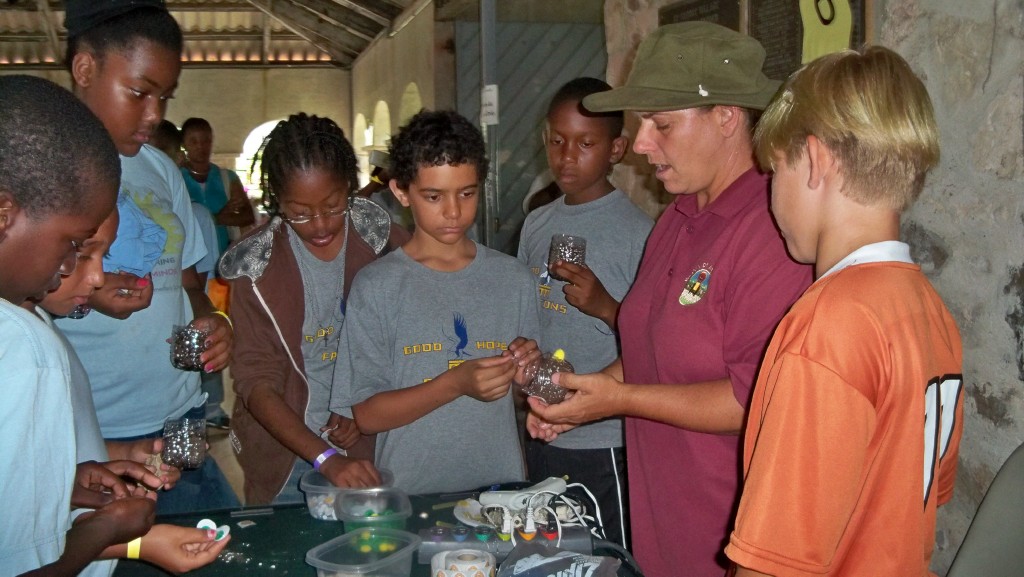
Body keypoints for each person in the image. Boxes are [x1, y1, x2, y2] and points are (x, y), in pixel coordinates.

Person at [527, 22, 813, 576]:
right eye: (640, 125)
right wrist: (583, 396)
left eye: (661, 123)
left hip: (731, 537)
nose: (640, 145)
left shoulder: (770, 229)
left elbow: (752, 400)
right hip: (663, 528)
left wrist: (617, 401)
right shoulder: (677, 217)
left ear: (727, 116)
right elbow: (649, 345)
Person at [724, 47, 964, 577]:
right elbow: (927, 490)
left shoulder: (828, 323)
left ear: (816, 160)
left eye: (775, 172)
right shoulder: (930, 310)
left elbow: (773, 563)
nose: (770, 198)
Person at [58, 0, 240, 514]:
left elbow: (185, 283)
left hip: (176, 417)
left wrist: (212, 320)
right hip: (95, 433)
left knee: (206, 542)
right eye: (139, 93)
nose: (156, 115)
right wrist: (90, 296)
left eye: (163, 97)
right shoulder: (43, 163)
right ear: (85, 69)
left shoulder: (160, 170)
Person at [329, 110, 542, 495]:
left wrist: (528, 377)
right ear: (400, 192)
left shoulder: (513, 280)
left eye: (467, 193)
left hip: (498, 491)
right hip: (409, 493)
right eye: (433, 196)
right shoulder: (377, 286)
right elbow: (366, 414)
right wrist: (454, 383)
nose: (454, 212)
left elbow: (522, 396)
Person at [0, 73, 159, 577]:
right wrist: (105, 530)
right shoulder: (24, 348)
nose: (84, 273)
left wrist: (58, 484)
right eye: (74, 244)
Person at [29, 205, 230, 575]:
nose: (96, 277)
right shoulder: (22, 354)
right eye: (82, 252)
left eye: (104, 256)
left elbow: (31, 477)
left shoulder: (39, 330)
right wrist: (127, 540)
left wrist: (122, 453)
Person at [219, 113, 410, 504]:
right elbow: (257, 383)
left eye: (333, 204)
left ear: (350, 188)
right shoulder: (256, 266)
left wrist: (362, 406)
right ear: (276, 201)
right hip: (288, 455)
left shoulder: (377, 235)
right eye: (300, 213)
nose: (320, 225)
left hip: (372, 441)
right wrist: (324, 458)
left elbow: (414, 325)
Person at [518, 77, 653, 548]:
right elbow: (528, 315)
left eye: (585, 143)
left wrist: (604, 306)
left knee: (606, 553)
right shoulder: (537, 222)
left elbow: (653, 341)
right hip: (541, 425)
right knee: (547, 552)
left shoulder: (640, 234)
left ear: (616, 149)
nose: (567, 155)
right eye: (557, 141)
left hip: (603, 437)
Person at [180, 117, 256, 254]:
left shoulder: (227, 177)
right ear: (184, 144)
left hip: (222, 257)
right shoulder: (177, 177)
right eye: (193, 141)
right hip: (187, 258)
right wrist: (221, 217)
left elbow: (248, 217)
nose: (200, 146)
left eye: (206, 141)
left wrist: (215, 219)